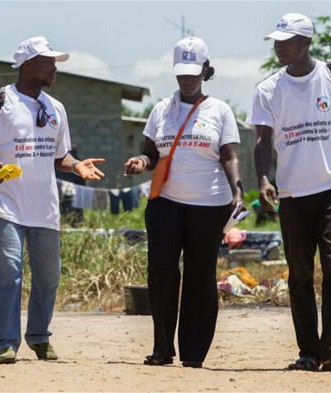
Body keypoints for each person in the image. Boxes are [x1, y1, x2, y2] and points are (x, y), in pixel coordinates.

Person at [0, 36, 105, 364]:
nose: (55, 68)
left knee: (48, 276)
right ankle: (6, 343)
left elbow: (60, 155)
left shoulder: (56, 108)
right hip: (8, 202)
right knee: (9, 271)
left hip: (45, 208)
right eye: (48, 62)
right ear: (27, 65)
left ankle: (39, 336)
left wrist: (76, 165)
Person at [249, 13, 331, 372]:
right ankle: (308, 352)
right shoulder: (268, 89)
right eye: (276, 41)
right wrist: (263, 179)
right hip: (292, 194)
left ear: (307, 43)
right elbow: (261, 140)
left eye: (287, 41)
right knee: (299, 273)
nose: (279, 46)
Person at [123, 36, 243, 369]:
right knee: (161, 273)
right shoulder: (161, 110)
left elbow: (230, 155)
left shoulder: (220, 110)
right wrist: (140, 163)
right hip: (166, 204)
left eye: (193, 71)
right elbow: (150, 154)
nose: (187, 78)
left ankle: (193, 354)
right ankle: (162, 348)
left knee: (199, 275)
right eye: (181, 72)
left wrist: (238, 190)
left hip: (209, 205)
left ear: (205, 69)